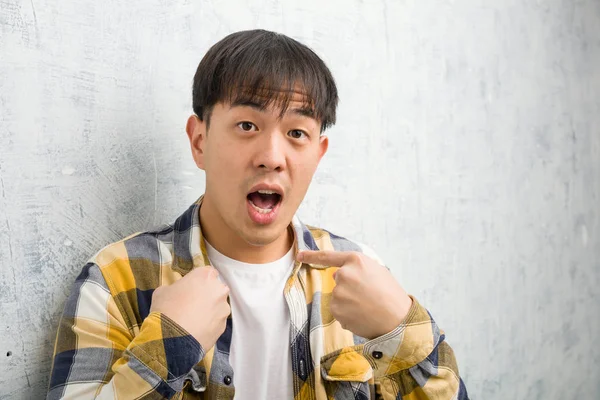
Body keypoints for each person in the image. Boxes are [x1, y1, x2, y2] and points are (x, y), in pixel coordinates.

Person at [47, 29, 469, 400]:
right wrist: (169, 346)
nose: (272, 157)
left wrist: (402, 328)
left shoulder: (359, 275)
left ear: (317, 155)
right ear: (199, 141)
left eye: (297, 133)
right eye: (247, 126)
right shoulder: (116, 278)